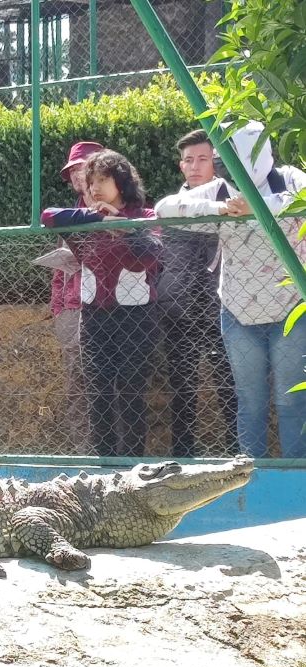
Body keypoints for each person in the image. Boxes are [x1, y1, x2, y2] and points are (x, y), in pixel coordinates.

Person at [155, 122, 306, 458]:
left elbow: (302, 197)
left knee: (290, 399)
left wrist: (258, 206)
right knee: (249, 401)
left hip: (292, 311)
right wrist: (220, 208)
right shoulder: (220, 189)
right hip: (238, 313)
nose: (225, 164)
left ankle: (297, 482)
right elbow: (166, 208)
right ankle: (251, 481)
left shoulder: (289, 177)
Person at [42, 150, 162, 457]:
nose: (94, 187)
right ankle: (106, 466)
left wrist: (121, 225)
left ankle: (133, 469)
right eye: (90, 181)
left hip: (137, 320)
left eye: (103, 179)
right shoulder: (85, 218)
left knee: (131, 395)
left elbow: (153, 253)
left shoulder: (145, 216)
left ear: (121, 182)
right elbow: (48, 217)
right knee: (99, 396)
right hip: (94, 319)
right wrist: (97, 217)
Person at [154, 129, 238, 457]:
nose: (195, 165)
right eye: (189, 160)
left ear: (215, 162)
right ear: (180, 166)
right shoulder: (171, 207)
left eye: (202, 158)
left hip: (221, 307)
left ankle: (237, 453)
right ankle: (182, 459)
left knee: (229, 385)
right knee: (181, 389)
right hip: (177, 310)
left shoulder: (232, 199)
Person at [48, 141, 103, 452]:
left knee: (113, 387)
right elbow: (59, 271)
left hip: (110, 310)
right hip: (71, 312)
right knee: (77, 387)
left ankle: (118, 457)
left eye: (85, 168)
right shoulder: (67, 216)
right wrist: (58, 309)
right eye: (74, 171)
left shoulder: (124, 212)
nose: (79, 176)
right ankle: (85, 456)